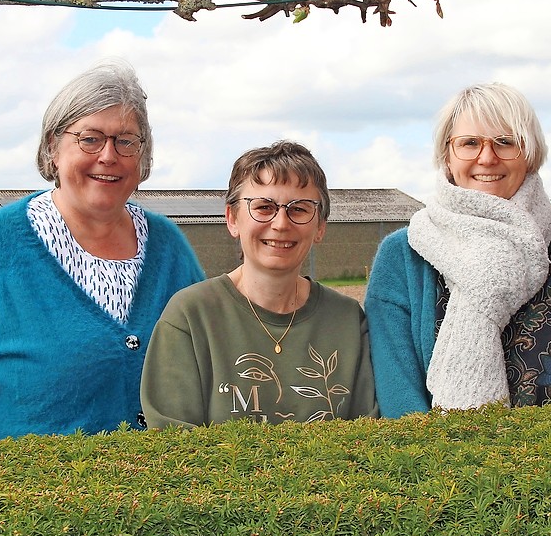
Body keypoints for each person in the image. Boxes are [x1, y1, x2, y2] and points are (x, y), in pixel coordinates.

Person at [0, 59, 204, 437]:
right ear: (53, 148)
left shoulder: (170, 249)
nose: (109, 156)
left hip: (159, 492)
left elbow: (210, 369)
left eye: (126, 141)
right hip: (19, 493)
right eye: (90, 138)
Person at [365, 83, 551, 415]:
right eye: (469, 143)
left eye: (506, 142)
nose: (487, 158)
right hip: (434, 463)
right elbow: (397, 391)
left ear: (530, 155)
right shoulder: (402, 256)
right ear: (446, 156)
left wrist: (539, 461)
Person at [141, 141, 378, 427]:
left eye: (300, 209)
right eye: (263, 207)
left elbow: (368, 435)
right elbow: (175, 444)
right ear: (232, 219)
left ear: (321, 227)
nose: (280, 223)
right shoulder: (191, 316)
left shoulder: (348, 321)